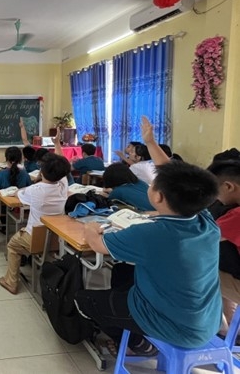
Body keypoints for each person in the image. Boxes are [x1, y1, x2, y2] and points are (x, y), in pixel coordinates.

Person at [75, 116, 222, 353]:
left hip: (170, 324)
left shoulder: (152, 234)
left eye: (153, 183)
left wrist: (90, 227)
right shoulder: (205, 219)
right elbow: (175, 174)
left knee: (83, 299)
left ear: (159, 197)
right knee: (123, 269)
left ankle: (138, 343)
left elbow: (98, 244)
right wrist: (151, 143)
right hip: (206, 320)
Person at [0, 152, 70, 295]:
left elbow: (18, 194)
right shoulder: (63, 187)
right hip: (57, 239)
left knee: (12, 245)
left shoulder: (35, 190)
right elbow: (62, 170)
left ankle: (11, 282)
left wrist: (27, 186)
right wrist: (57, 146)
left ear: (42, 171)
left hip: (34, 238)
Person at [206, 160, 240, 335]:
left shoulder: (235, 215)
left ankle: (212, 326)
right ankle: (227, 327)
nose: (215, 199)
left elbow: (203, 239)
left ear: (228, 186)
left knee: (191, 273)